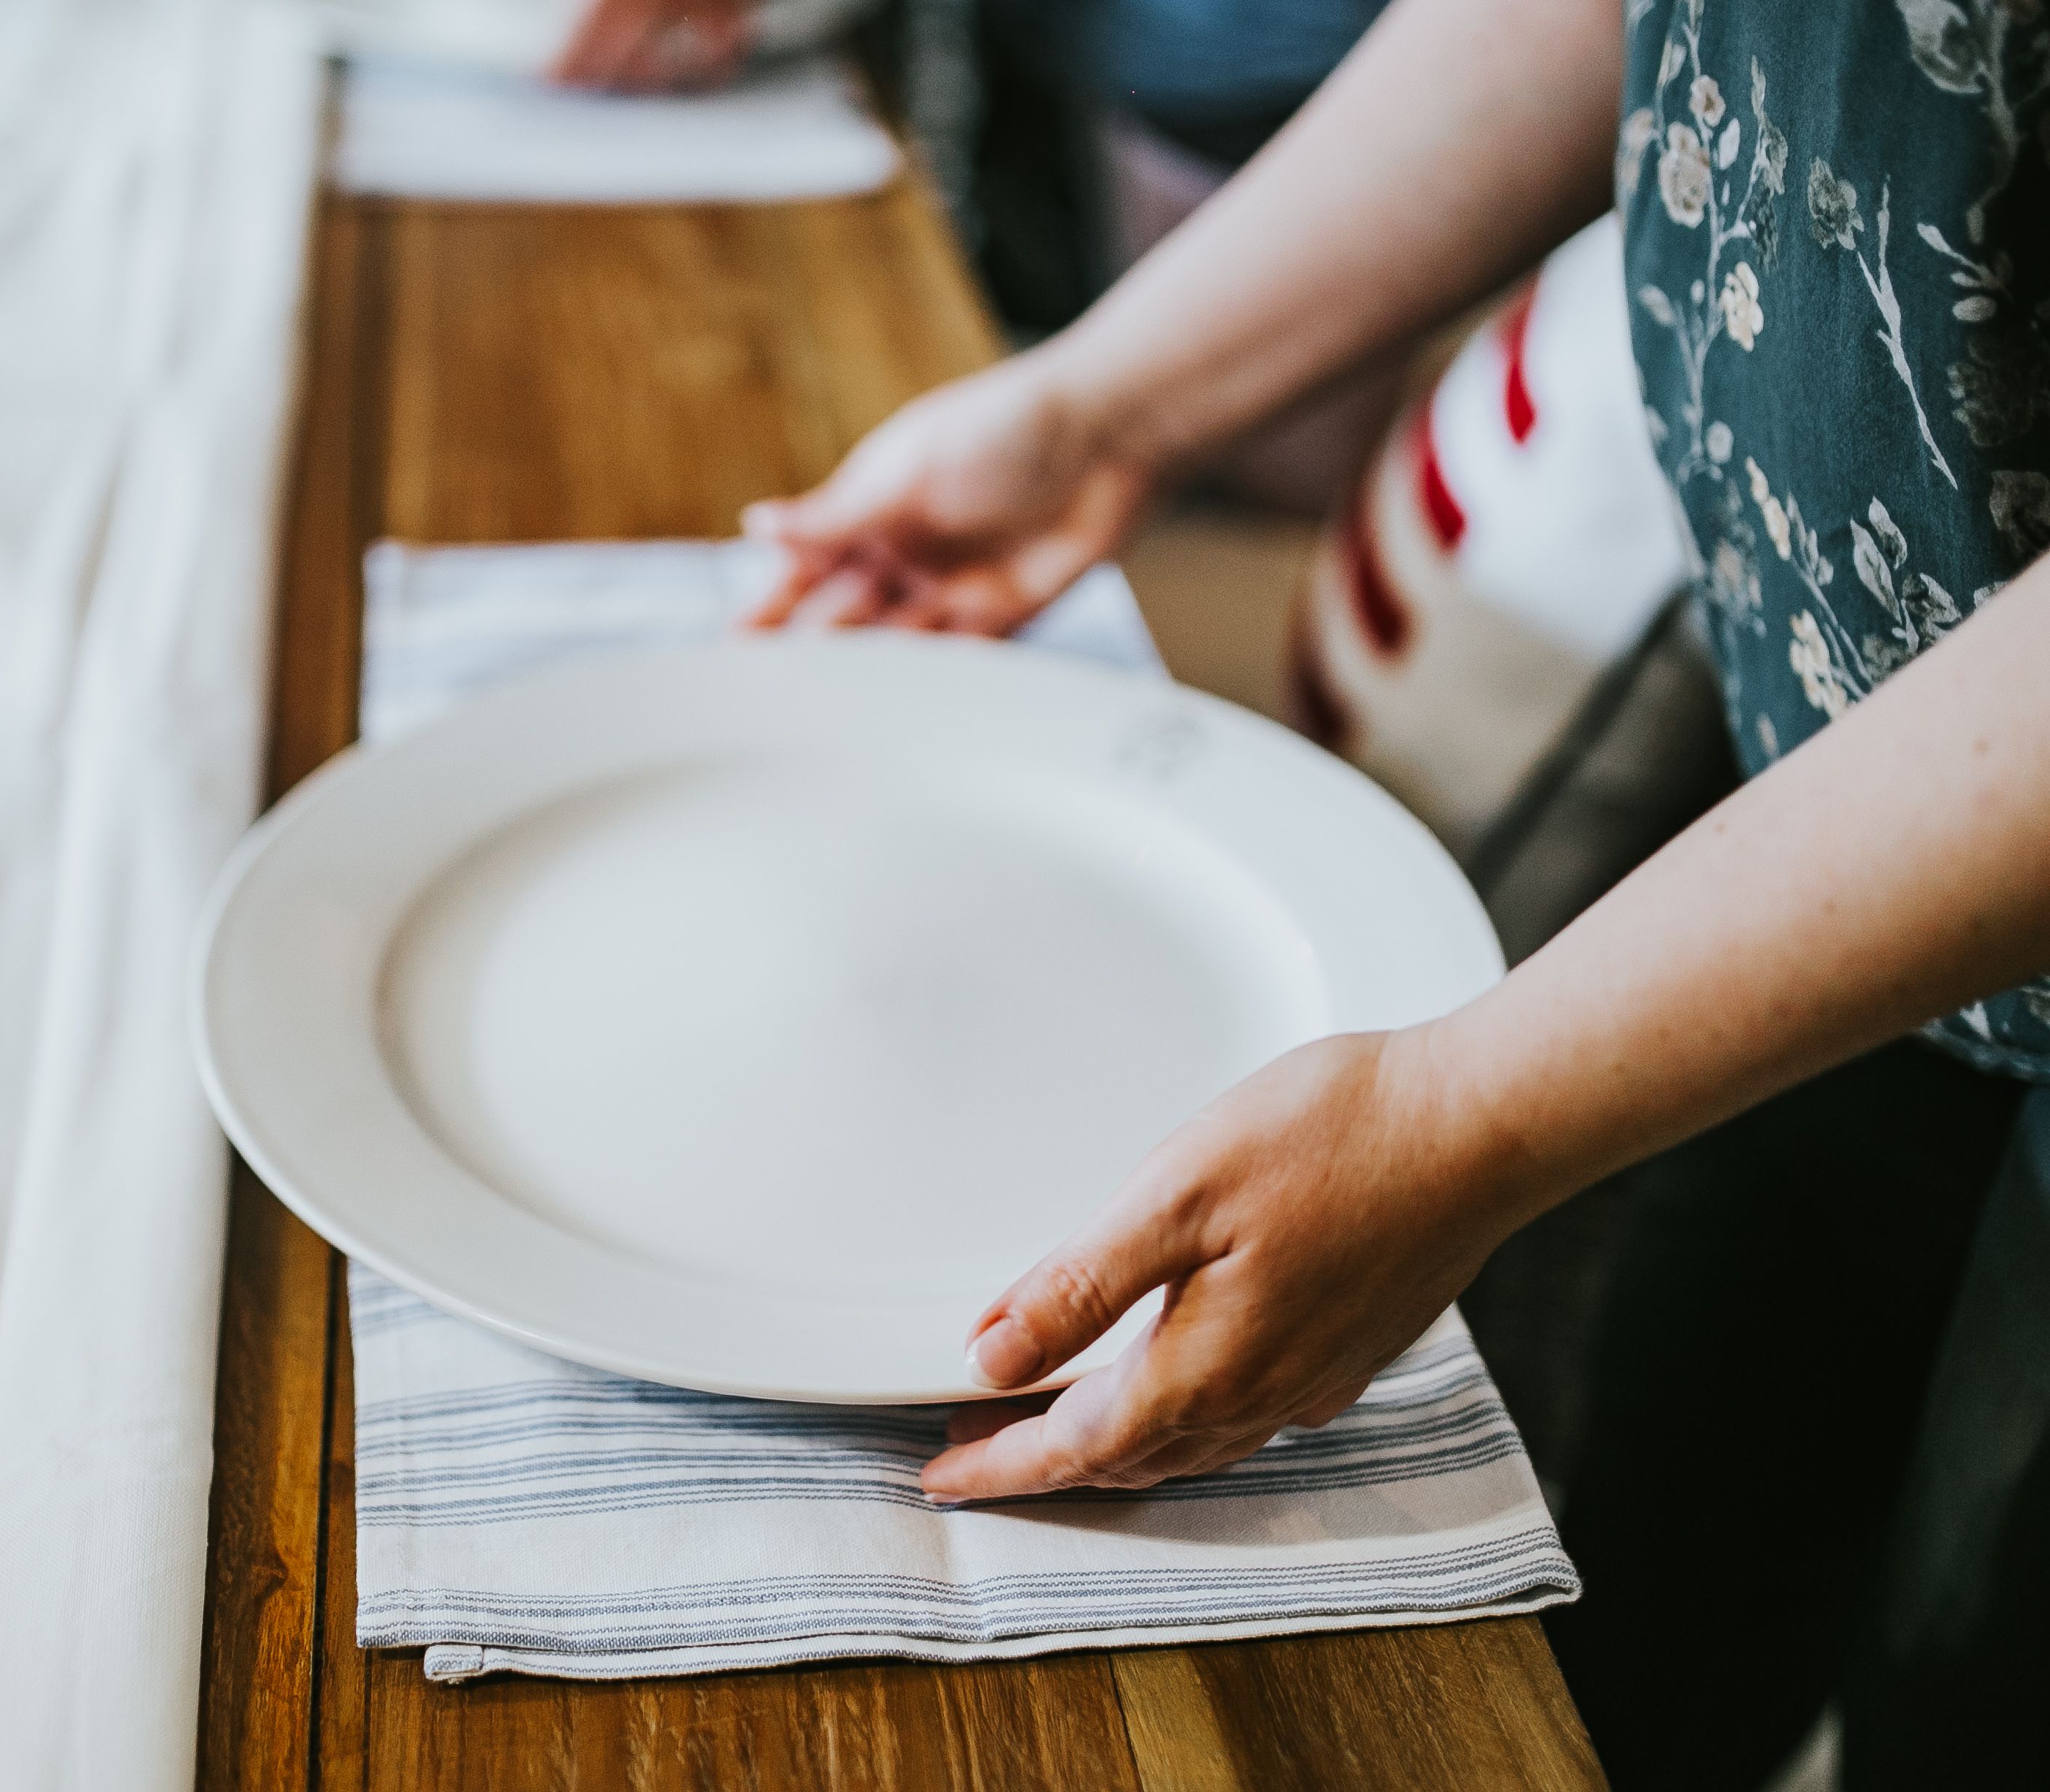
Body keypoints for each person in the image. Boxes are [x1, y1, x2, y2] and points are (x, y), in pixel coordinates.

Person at [746, 0, 2050, 1784]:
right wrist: (1099, 410)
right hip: (1827, 830)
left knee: (1964, 1706)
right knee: (1668, 1569)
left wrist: (1465, 1116)